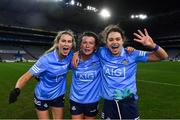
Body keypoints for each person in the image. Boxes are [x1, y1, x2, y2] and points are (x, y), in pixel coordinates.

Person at [98, 25, 168, 119]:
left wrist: (153, 46)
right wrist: (77, 53)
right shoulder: (101, 52)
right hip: (109, 102)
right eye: (111, 40)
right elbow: (86, 50)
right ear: (106, 42)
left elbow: (163, 57)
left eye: (118, 39)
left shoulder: (132, 54)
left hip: (128, 102)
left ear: (122, 41)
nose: (114, 42)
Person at [9, 30, 76, 119]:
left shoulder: (71, 56)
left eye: (69, 41)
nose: (66, 44)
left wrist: (77, 53)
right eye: (63, 41)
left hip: (59, 95)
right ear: (57, 43)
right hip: (42, 96)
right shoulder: (45, 60)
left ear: (72, 45)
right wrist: (17, 90)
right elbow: (27, 75)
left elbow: (84, 53)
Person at [69, 32, 101, 120]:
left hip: (92, 101)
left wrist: (130, 49)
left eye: (91, 43)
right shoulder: (72, 58)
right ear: (80, 45)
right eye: (84, 42)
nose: (87, 45)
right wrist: (76, 53)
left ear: (95, 46)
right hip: (75, 100)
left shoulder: (100, 59)